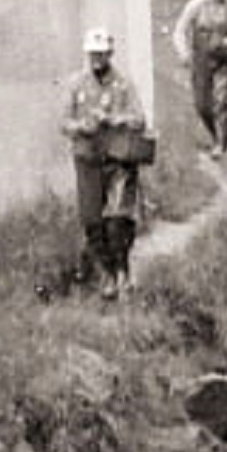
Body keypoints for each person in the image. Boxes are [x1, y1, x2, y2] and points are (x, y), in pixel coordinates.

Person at [60, 25, 154, 295]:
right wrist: (81, 126)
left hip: (118, 160)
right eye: (93, 54)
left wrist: (114, 119)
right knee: (92, 220)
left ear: (110, 53)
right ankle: (107, 274)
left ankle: (122, 269)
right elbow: (63, 122)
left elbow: (139, 119)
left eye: (102, 54)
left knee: (117, 219)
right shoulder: (76, 84)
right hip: (87, 158)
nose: (97, 59)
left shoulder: (123, 85)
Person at [169, 0, 227, 156]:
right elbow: (179, 30)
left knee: (221, 100)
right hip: (201, 59)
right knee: (202, 104)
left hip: (225, 59)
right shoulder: (196, 6)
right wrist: (184, 53)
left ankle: (222, 143)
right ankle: (214, 134)